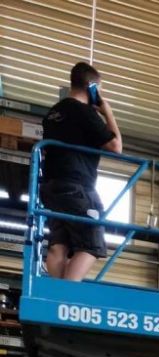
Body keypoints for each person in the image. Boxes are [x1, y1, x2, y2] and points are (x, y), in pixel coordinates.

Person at [41, 61, 122, 281]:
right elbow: (116, 146)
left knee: (59, 245)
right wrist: (107, 112)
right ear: (92, 87)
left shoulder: (53, 113)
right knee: (91, 244)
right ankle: (67, 296)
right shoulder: (85, 113)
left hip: (51, 188)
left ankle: (57, 294)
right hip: (77, 187)